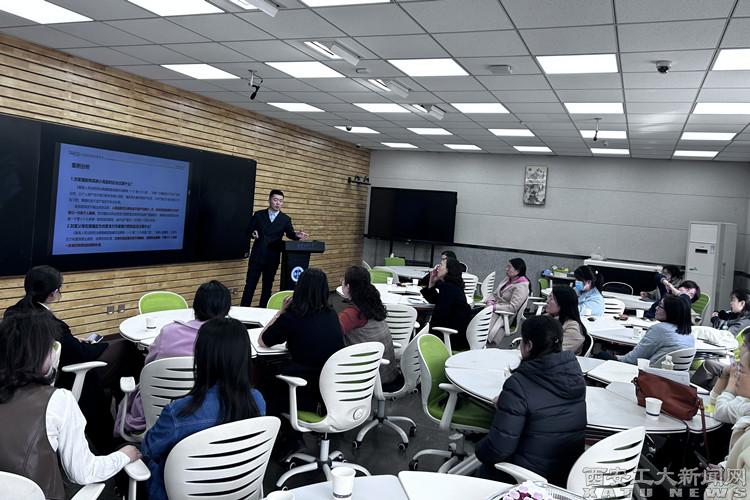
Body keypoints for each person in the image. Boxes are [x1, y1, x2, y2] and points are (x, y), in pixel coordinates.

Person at [0, 312, 141, 500]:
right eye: (52, 347)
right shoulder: (58, 400)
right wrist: (124, 455)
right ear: (39, 355)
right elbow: (84, 473)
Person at [3, 265, 142, 453]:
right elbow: (80, 353)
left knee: (121, 359)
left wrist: (72, 340)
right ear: (53, 294)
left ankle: (122, 415)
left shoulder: (13, 312)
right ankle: (126, 422)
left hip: (19, 378)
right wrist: (97, 345)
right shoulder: (49, 323)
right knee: (127, 350)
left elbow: (62, 345)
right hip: (62, 377)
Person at [142, 317, 266, 500]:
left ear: (202, 357)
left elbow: (149, 449)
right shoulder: (257, 401)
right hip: (237, 491)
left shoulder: (179, 412)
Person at [475, 315, 587, 486]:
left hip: (526, 479)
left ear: (529, 346)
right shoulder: (575, 376)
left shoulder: (519, 385)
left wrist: (478, 449)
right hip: (567, 476)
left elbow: (498, 449)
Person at [116, 280, 232, 434]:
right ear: (226, 309)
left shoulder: (169, 332)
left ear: (195, 306)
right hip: (211, 418)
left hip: (157, 412)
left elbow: (149, 366)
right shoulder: (231, 340)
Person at [259, 267, 344, 413]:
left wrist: (281, 311)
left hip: (305, 387)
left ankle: (280, 423)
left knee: (265, 376)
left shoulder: (293, 316)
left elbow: (263, 340)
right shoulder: (331, 314)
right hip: (331, 385)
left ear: (299, 288)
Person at [240, 189, 309, 308]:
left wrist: (297, 235)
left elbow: (290, 234)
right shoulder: (259, 215)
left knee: (267, 287)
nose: (278, 203)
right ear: (269, 200)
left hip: (273, 257)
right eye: (275, 200)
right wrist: (253, 233)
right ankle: (242, 311)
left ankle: (264, 312)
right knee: (250, 285)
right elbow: (248, 231)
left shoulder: (285, 219)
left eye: (281, 201)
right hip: (257, 256)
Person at [338, 266, 401, 392]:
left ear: (348, 287)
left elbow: (329, 334)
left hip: (372, 379)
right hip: (388, 373)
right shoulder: (373, 304)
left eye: (343, 281)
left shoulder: (352, 314)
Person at [616, 294, 695, 366]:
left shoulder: (660, 329)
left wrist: (614, 357)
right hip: (673, 375)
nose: (656, 308)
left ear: (671, 311)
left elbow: (632, 360)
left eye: (660, 306)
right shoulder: (689, 333)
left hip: (650, 373)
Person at [421, 258, 472, 351]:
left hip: (451, 337)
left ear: (448, 270)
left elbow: (439, 315)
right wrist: (432, 282)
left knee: (419, 329)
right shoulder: (452, 286)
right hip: (458, 335)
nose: (438, 267)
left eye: (441, 265)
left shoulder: (448, 288)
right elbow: (436, 301)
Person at [486, 258, 531, 344]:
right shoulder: (508, 279)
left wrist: (494, 307)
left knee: (480, 321)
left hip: (505, 315)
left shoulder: (522, 286)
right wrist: (490, 301)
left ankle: (481, 341)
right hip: (496, 309)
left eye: (509, 267)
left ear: (517, 271)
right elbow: (495, 293)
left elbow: (512, 307)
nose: (506, 269)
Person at [546, 285, 587, 355]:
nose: (547, 301)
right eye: (548, 297)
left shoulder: (572, 328)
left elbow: (557, 353)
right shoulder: (548, 317)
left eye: (551, 298)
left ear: (562, 303)